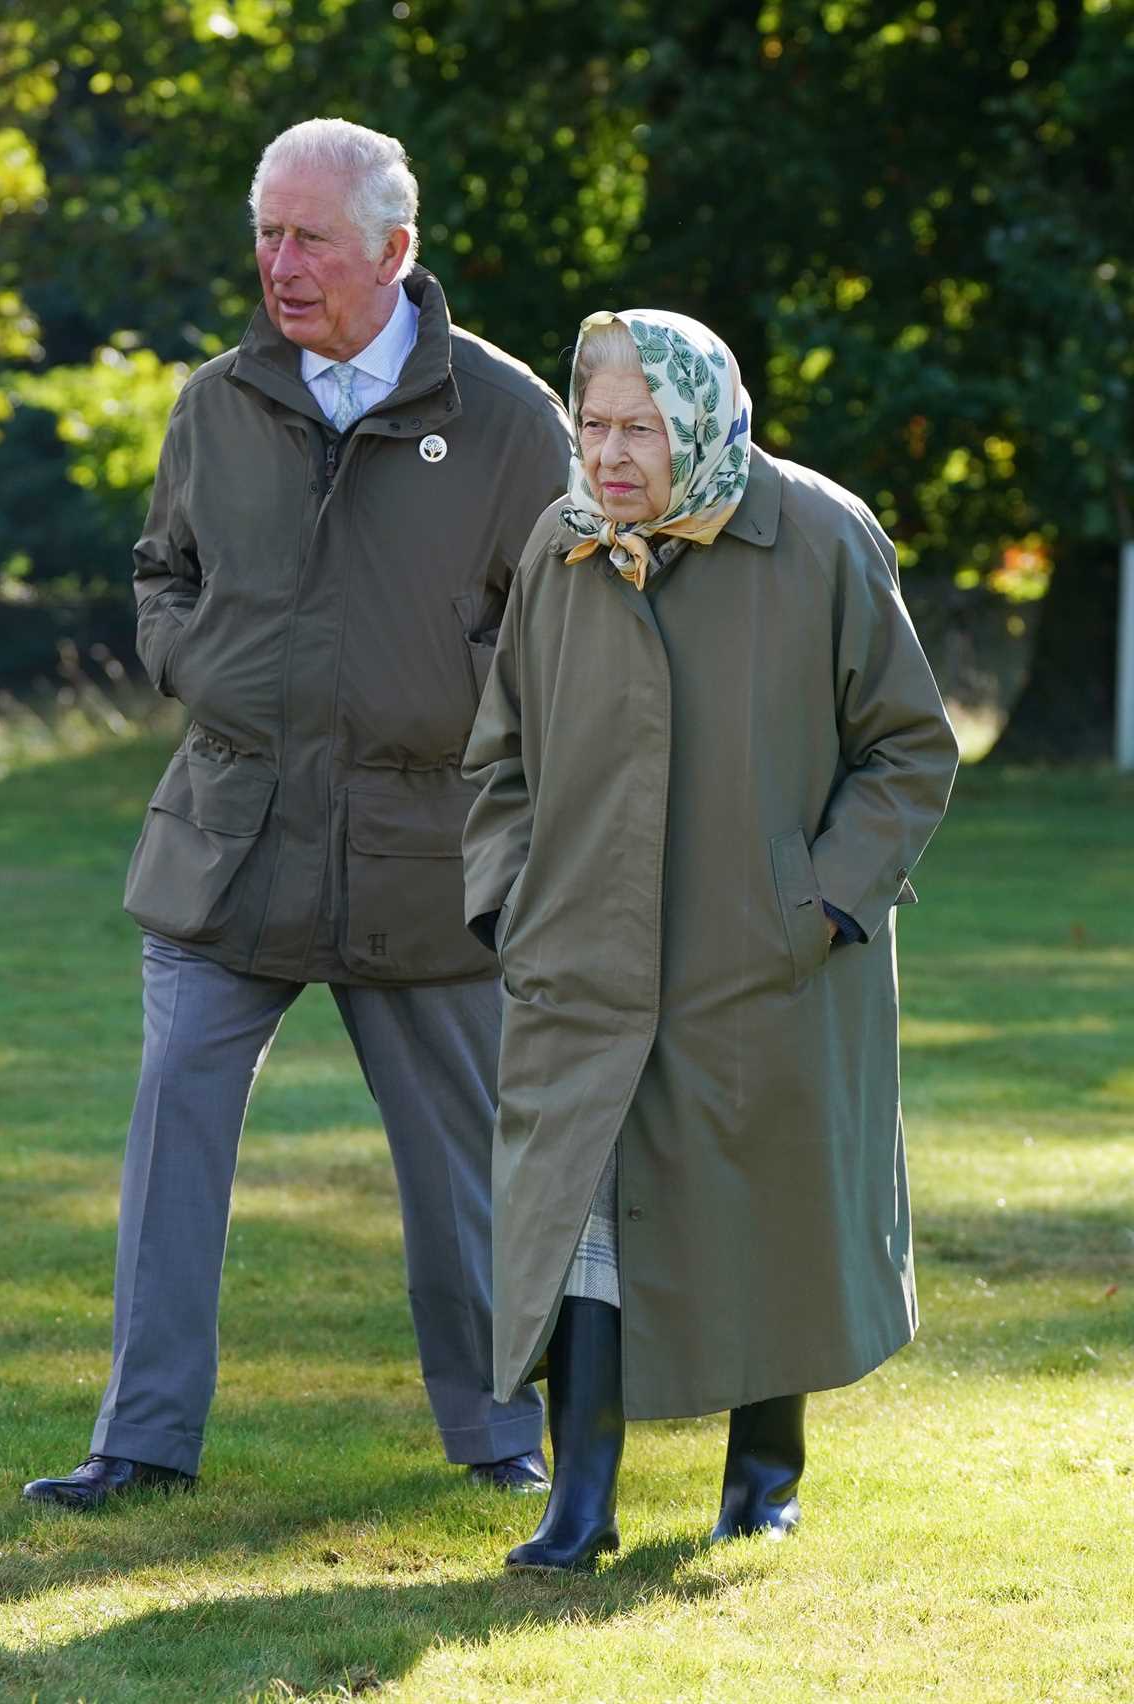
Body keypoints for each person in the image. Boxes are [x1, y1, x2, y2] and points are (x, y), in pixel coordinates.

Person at [23, 119, 571, 1510]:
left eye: (306, 237)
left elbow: (561, 632)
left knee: (463, 1176)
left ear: (395, 251)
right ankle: (140, 1444)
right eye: (265, 233)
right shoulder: (217, 401)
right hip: (230, 840)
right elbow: (163, 568)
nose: (278, 263)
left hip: (422, 856)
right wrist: (189, 659)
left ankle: (500, 1439)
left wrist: (469, 711)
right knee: (170, 1142)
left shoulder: (508, 420)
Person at [462, 307, 960, 1570]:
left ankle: (762, 1479)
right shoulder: (562, 542)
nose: (612, 454)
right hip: (580, 956)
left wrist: (823, 904)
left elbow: (907, 748)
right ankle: (577, 1502)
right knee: (579, 1213)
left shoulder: (818, 535)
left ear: (698, 418)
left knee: (763, 1208)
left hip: (763, 959)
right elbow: (500, 753)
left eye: (639, 427)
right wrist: (508, 897)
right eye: (593, 424)